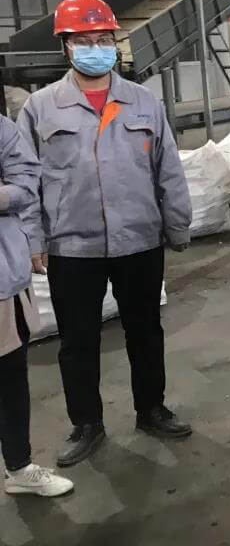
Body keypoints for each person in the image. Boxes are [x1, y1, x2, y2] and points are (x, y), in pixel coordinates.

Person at [18, 0, 193, 468]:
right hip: (72, 245)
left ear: (115, 44)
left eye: (103, 39)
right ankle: (86, 423)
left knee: (145, 331)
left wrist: (177, 225)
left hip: (139, 239)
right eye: (84, 40)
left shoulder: (142, 101)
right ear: (66, 47)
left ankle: (151, 409)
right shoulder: (40, 108)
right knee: (78, 341)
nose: (96, 48)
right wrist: (33, 239)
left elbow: (168, 169)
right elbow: (26, 180)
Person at [0, 115, 73, 498]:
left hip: (2, 280)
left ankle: (19, 467)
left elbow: (26, 183)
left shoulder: (2, 130)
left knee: (9, 373)